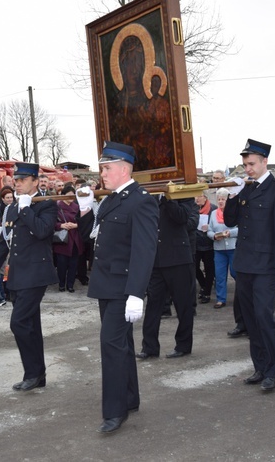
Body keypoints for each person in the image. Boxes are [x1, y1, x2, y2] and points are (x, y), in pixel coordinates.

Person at [87, 142, 159, 433]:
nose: (102, 173)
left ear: (124, 169)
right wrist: (83, 210)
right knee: (122, 345)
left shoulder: (140, 200)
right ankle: (129, 398)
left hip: (123, 287)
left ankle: (115, 411)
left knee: (111, 345)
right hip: (106, 283)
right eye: (102, 168)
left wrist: (135, 293)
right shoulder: (112, 199)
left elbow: (144, 251)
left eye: (107, 168)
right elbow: (94, 238)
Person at [0, 162, 58, 392]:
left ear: (35, 181)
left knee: (19, 322)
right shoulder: (11, 208)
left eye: (22, 181)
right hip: (17, 274)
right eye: (16, 180)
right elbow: (4, 243)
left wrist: (26, 209)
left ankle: (33, 373)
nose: (17, 184)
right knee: (30, 325)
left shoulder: (46, 205)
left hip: (36, 274)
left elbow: (43, 232)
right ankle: (36, 374)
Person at [225, 139, 275, 392]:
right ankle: (260, 367)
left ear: (265, 162)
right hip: (244, 264)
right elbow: (231, 221)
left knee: (264, 319)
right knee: (251, 320)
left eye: (252, 164)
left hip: (265, 265)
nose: (248, 169)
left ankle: (272, 371)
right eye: (245, 165)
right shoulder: (246, 188)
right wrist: (233, 194)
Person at [138, 193, 195, 360]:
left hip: (178, 258)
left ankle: (183, 345)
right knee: (153, 305)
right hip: (156, 259)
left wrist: (168, 198)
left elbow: (182, 217)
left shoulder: (183, 195)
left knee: (183, 305)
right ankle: (149, 347)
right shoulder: (149, 196)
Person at [207, 188, 237, 308]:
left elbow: (241, 228)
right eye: (218, 199)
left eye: (223, 199)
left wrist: (230, 233)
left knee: (236, 274)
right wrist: (214, 236)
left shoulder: (234, 212)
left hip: (233, 247)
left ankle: (241, 297)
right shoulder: (214, 214)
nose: (220, 201)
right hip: (219, 249)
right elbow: (209, 230)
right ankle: (221, 299)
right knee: (219, 275)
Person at [53, 184, 83, 293]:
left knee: (73, 264)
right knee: (61, 264)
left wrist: (76, 225)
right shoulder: (57, 207)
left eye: (73, 195)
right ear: (63, 195)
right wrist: (60, 225)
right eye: (68, 195)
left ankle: (70, 285)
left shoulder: (77, 207)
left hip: (75, 238)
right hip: (63, 239)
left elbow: (84, 221)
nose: (71, 198)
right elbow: (52, 222)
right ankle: (61, 284)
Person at [194, 193, 216, 303]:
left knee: (209, 268)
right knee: (194, 267)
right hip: (196, 243)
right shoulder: (192, 208)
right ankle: (203, 285)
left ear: (205, 197)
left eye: (199, 196)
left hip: (209, 243)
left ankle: (207, 292)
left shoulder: (213, 209)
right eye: (195, 196)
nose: (197, 198)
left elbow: (218, 223)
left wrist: (210, 227)